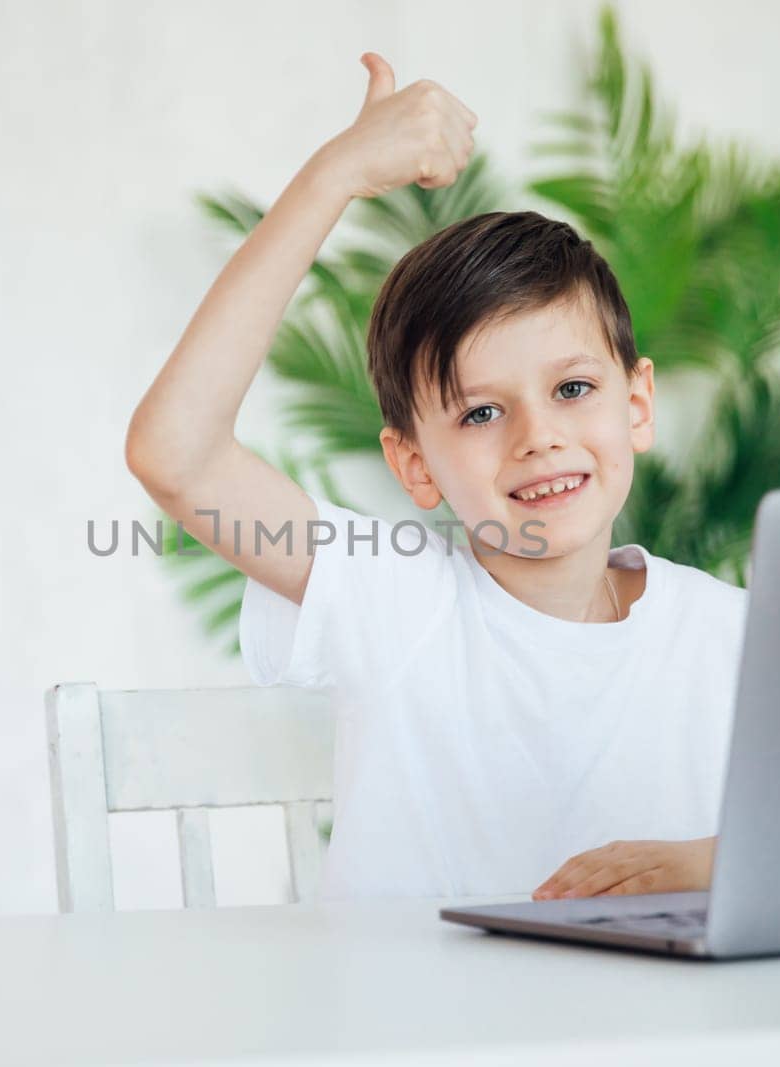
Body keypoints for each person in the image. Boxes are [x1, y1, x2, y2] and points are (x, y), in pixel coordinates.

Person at [125, 52, 746, 902]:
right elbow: (177, 451)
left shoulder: (734, 636)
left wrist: (726, 863)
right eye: (481, 413)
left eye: (573, 389)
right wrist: (335, 174)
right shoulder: (391, 598)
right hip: (412, 1034)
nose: (538, 437)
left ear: (636, 405)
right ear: (414, 463)